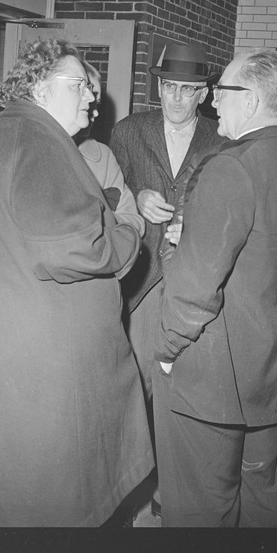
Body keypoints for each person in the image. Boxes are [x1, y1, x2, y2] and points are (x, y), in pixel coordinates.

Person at [0, 39, 153, 527]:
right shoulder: (39, 144)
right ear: (40, 87)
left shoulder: (5, 136)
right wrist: (130, 231)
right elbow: (77, 249)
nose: (91, 95)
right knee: (49, 503)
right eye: (80, 84)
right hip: (39, 372)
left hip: (7, 355)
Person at [153, 48, 277, 527]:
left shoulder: (232, 167)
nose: (213, 106)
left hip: (211, 386)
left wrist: (166, 351)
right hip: (271, 384)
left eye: (222, 93)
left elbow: (194, 286)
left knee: (198, 513)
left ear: (248, 102)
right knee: (261, 502)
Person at [109, 40, 223, 400]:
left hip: (192, 279)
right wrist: (135, 196)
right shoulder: (129, 130)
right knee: (136, 383)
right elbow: (106, 196)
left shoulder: (221, 140)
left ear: (202, 94)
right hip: (140, 277)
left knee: (186, 386)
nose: (175, 98)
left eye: (186, 89)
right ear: (159, 88)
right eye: (169, 87)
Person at [77, 62, 145, 241]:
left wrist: (99, 222)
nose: (96, 113)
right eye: (88, 102)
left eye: (97, 104)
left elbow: (134, 221)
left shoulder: (103, 156)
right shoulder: (37, 147)